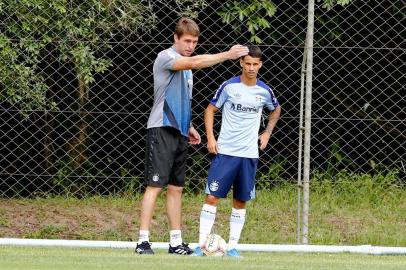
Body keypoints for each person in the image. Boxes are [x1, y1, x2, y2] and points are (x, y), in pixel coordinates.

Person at [135, 17, 249, 255]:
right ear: (175, 38)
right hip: (161, 129)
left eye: (195, 41)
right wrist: (227, 55)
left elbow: (179, 99)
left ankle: (175, 242)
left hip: (179, 131)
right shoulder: (166, 57)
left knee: (176, 188)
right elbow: (195, 62)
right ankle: (142, 241)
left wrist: (188, 126)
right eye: (186, 40)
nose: (190, 45)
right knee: (155, 185)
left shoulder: (187, 70)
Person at [193, 45, 281, 257]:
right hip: (226, 152)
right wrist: (211, 137)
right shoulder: (229, 86)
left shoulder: (264, 91)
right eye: (248, 63)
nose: (251, 68)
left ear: (260, 65)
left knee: (240, 201)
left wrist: (267, 133)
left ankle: (232, 247)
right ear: (241, 63)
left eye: (255, 64)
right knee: (212, 197)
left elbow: (276, 109)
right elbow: (210, 109)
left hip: (249, 154)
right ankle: (201, 245)